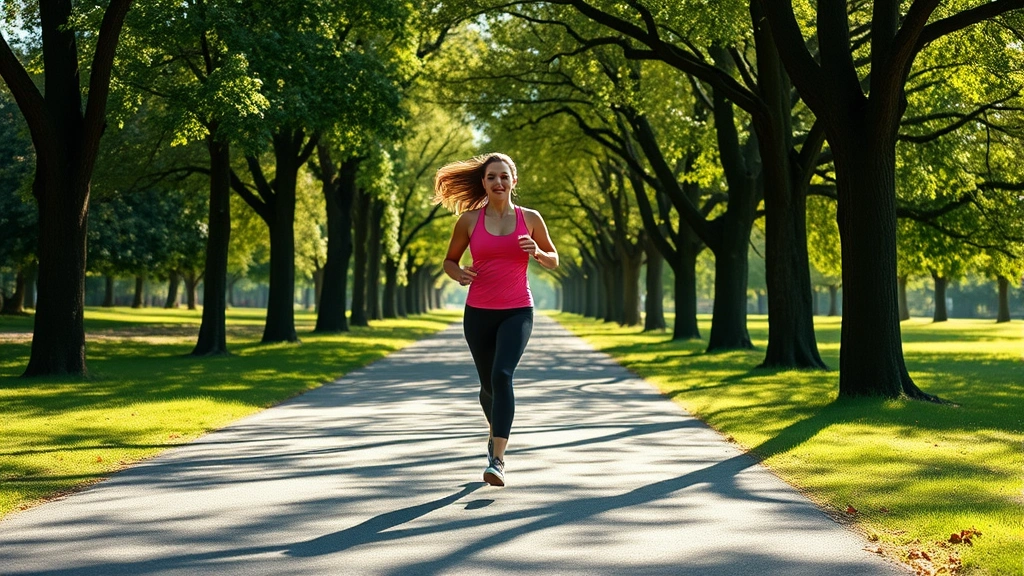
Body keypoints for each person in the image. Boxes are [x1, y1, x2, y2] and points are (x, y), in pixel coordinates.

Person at [434, 152, 559, 486]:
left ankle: (497, 460)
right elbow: (449, 261)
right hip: (478, 313)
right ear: (484, 183)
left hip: (518, 309)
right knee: (488, 386)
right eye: (492, 177)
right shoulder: (469, 221)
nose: (498, 182)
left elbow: (553, 259)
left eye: (504, 176)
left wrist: (537, 251)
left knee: (502, 375)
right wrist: (458, 273)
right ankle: (496, 434)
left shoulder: (530, 218)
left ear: (513, 181)